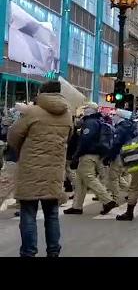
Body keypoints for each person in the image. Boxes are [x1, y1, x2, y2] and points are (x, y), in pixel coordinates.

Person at [8, 81, 73, 257]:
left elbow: (13, 136)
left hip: (31, 171)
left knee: (28, 213)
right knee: (52, 214)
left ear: (41, 92)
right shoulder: (68, 114)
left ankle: (29, 252)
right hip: (54, 171)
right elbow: (70, 137)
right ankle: (53, 251)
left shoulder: (32, 112)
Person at [64, 103, 118, 216]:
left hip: (87, 154)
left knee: (89, 178)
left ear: (90, 110)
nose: (84, 111)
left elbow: (85, 141)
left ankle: (107, 200)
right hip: (95, 154)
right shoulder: (98, 121)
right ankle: (77, 206)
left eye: (86, 109)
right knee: (80, 181)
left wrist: (76, 155)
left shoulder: (90, 122)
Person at [105, 109, 135, 207]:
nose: (112, 116)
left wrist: (110, 156)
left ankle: (115, 199)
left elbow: (116, 144)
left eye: (114, 115)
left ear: (119, 116)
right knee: (119, 176)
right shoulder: (129, 126)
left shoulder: (120, 128)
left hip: (119, 154)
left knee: (113, 178)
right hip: (127, 154)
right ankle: (131, 192)